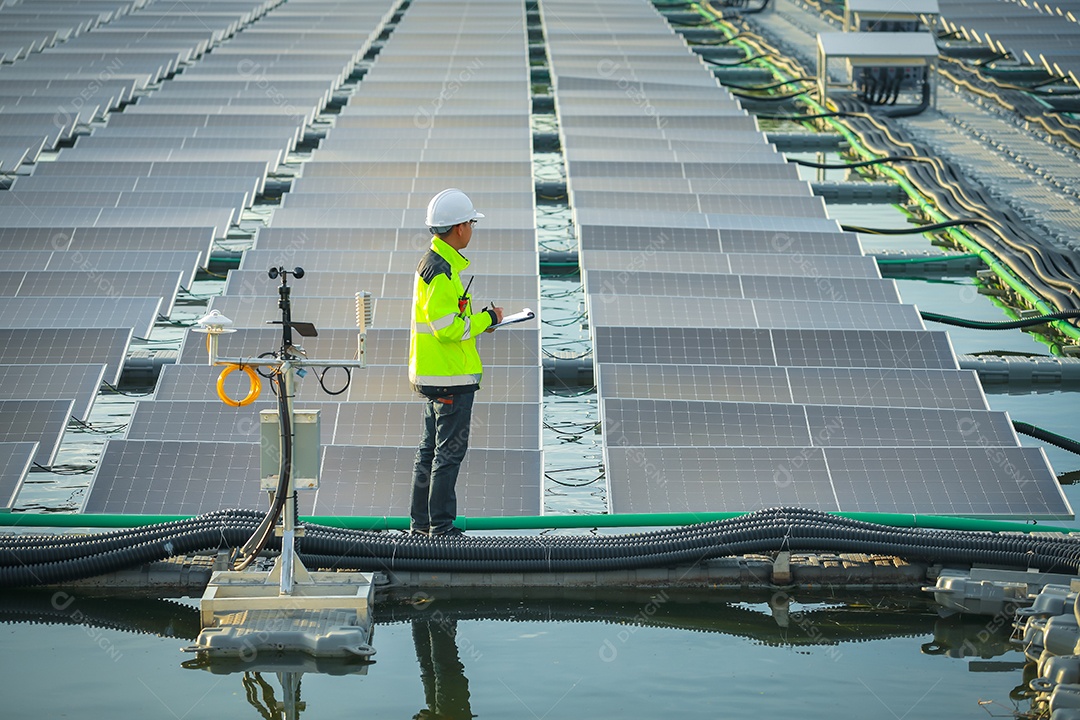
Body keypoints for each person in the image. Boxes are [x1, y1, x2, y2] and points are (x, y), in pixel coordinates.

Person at [409, 188, 503, 537]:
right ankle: (441, 529)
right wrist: (487, 320)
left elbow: (448, 322)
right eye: (471, 223)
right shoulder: (440, 271)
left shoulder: (438, 265)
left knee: (429, 451)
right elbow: (447, 328)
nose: (472, 229)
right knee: (447, 454)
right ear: (460, 227)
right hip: (449, 378)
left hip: (439, 376)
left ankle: (421, 526)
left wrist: (475, 321)